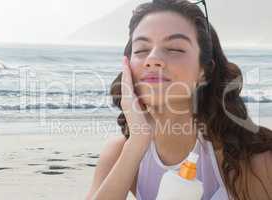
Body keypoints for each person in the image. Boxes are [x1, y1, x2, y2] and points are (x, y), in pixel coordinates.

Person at [86, 0, 272, 199]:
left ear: (204, 71)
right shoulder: (120, 154)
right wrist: (137, 143)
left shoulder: (253, 161)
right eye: (140, 50)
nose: (153, 59)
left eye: (174, 49)